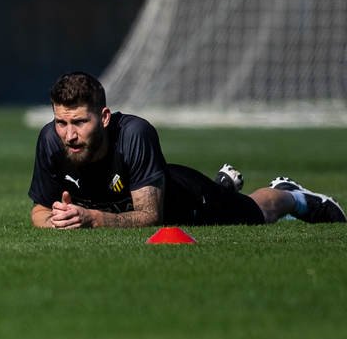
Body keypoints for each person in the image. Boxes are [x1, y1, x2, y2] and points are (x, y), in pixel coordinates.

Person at [29, 71, 344, 228]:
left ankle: (293, 195)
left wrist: (92, 218)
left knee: (259, 212)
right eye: (61, 122)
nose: (69, 134)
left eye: (80, 122)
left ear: (105, 117)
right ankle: (225, 185)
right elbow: (39, 210)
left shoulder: (135, 134)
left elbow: (151, 215)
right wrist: (57, 222)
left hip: (187, 199)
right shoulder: (49, 141)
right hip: (140, 197)